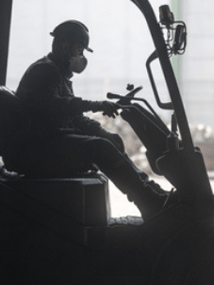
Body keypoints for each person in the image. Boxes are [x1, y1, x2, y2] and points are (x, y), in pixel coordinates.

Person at [12, 20, 171, 220]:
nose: (81, 57)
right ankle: (150, 203)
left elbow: (74, 117)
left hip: (49, 140)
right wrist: (96, 105)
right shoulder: (45, 72)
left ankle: (150, 190)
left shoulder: (57, 74)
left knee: (108, 141)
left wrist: (103, 132)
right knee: (100, 148)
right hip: (38, 147)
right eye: (80, 50)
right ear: (65, 47)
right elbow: (57, 106)